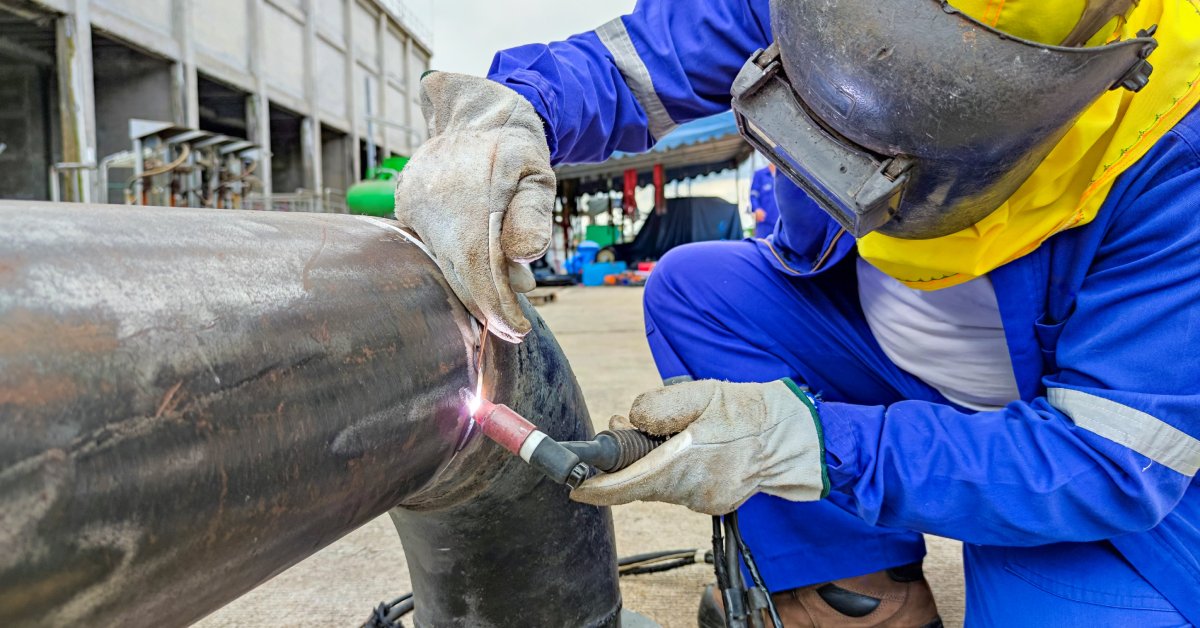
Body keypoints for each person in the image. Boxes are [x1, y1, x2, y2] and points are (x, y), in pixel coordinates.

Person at [393, 1, 1200, 625]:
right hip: (911, 351)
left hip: (1090, 436)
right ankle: (853, 592)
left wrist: (814, 444)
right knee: (701, 291)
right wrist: (511, 116)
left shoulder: (1175, 141)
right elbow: (642, 61)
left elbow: (1114, 460)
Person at [749, 163, 780, 240]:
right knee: (761, 244)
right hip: (764, 222)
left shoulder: (785, 174)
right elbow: (753, 195)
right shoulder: (760, 174)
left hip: (780, 222)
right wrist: (757, 209)